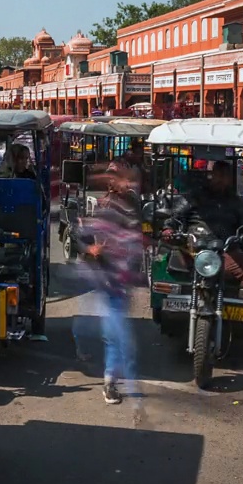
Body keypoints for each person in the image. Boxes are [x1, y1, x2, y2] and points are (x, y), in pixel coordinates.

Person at [82, 161, 143, 404]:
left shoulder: (131, 205)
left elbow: (134, 239)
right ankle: (109, 382)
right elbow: (85, 238)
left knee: (115, 334)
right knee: (115, 335)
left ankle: (110, 379)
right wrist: (92, 249)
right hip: (107, 278)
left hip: (120, 279)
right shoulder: (104, 206)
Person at [167, 160, 243, 288]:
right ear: (212, 175)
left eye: (225, 175)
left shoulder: (234, 201)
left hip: (225, 252)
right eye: (219, 174)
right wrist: (168, 229)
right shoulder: (196, 196)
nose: (221, 179)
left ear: (230, 179)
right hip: (193, 250)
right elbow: (175, 217)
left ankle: (236, 299)